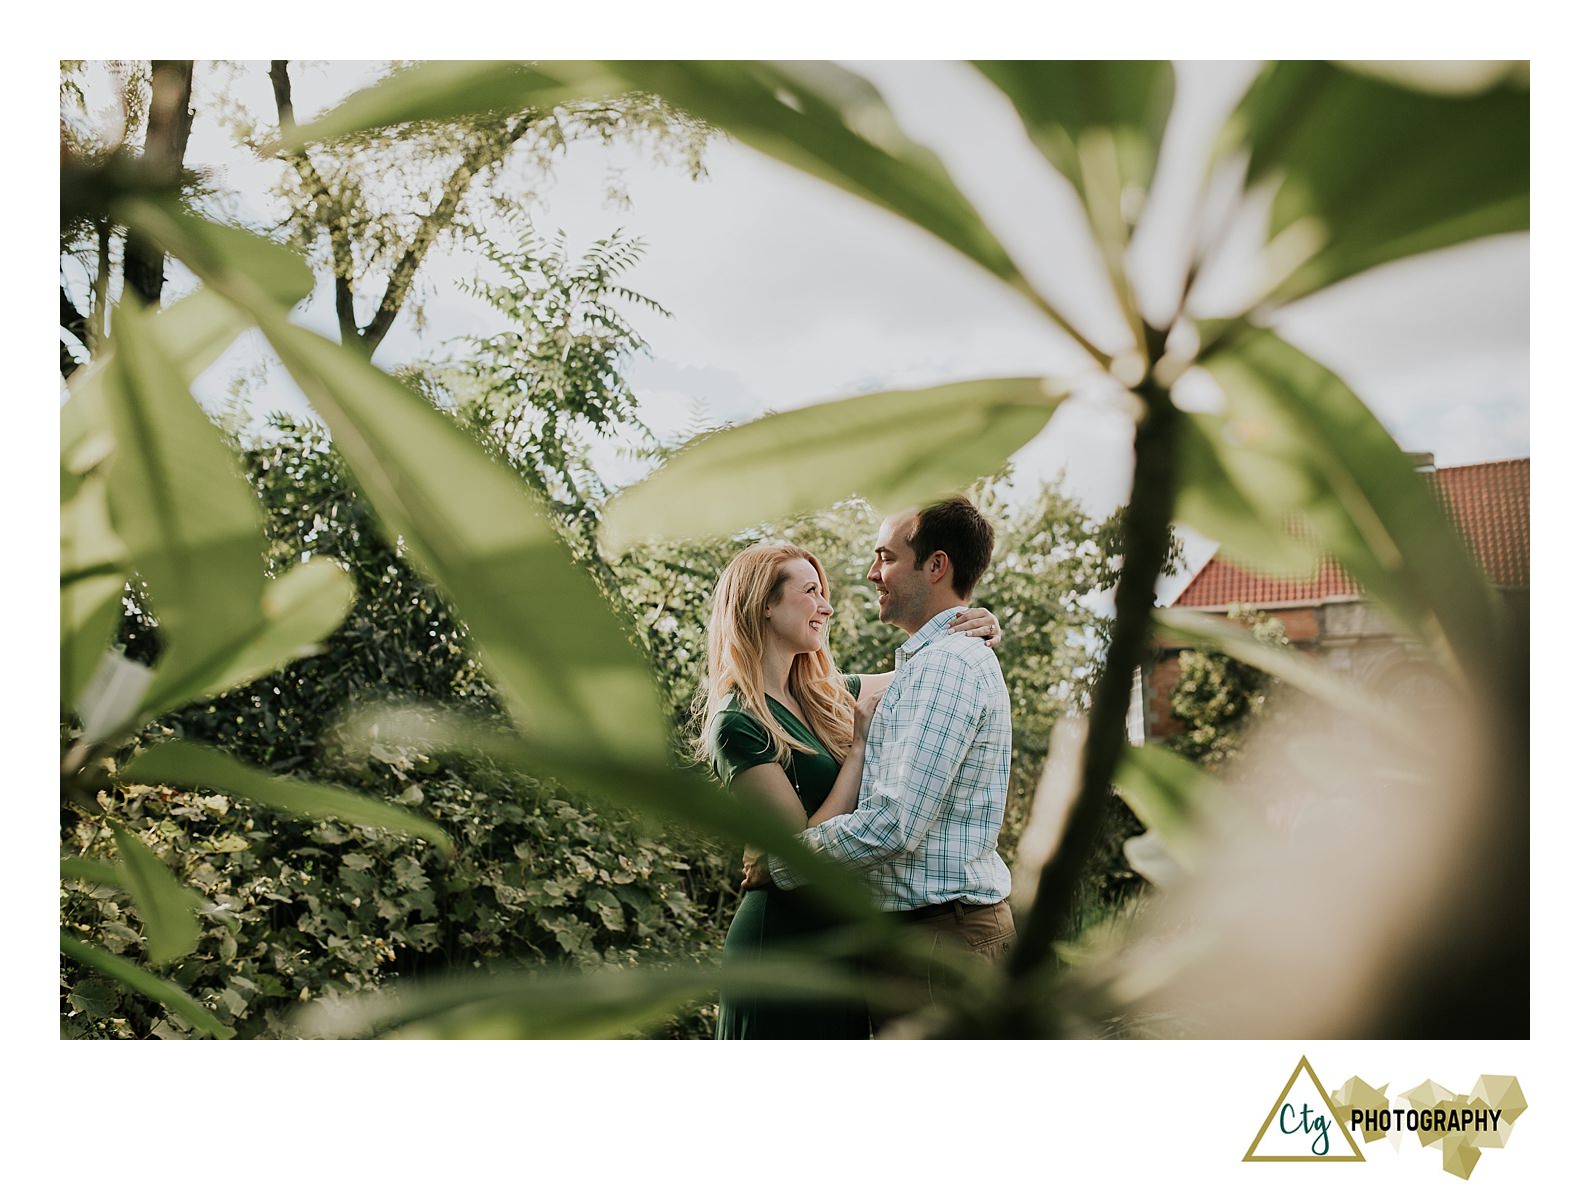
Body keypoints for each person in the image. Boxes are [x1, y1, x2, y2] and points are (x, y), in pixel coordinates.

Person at [699, 542, 1001, 1039]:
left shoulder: (828, 693)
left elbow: (930, 672)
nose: (827, 606)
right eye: (811, 592)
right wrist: (857, 750)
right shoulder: (738, 723)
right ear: (764, 604)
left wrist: (971, 626)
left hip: (843, 947)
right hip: (783, 944)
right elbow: (794, 857)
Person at [764, 497, 1016, 1028]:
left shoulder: (945, 666)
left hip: (939, 943)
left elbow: (896, 824)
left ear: (936, 565)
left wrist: (786, 861)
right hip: (932, 938)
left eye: (885, 557)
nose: (871, 573)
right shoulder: (934, 663)